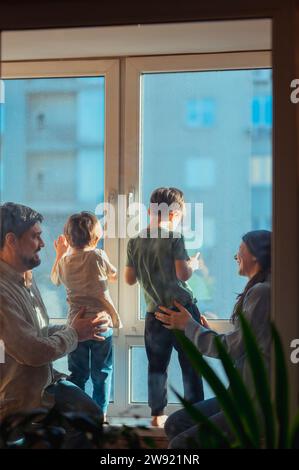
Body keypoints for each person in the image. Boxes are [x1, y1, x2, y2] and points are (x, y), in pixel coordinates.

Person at [155, 230, 271, 448]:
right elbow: (244, 344)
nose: (236, 257)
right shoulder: (260, 291)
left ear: (255, 255)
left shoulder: (262, 293)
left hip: (253, 405)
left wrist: (188, 325)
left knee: (181, 445)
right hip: (239, 395)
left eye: (240, 251)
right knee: (174, 424)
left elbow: (232, 349)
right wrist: (201, 330)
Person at [0, 202, 109, 429]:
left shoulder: (25, 278)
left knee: (93, 417)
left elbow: (37, 333)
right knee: (88, 423)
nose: (42, 244)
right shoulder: (3, 293)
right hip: (20, 404)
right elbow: (32, 351)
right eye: (35, 237)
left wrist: (84, 327)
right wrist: (74, 334)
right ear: (11, 240)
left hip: (45, 386)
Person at [125, 187, 204, 427]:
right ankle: (195, 414)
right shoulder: (175, 237)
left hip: (155, 314)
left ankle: (157, 415)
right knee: (191, 363)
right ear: (175, 214)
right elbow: (183, 274)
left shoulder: (135, 241)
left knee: (157, 366)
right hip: (181, 311)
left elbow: (129, 279)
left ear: (150, 210)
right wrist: (194, 264)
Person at [51, 211, 121, 423]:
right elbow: (114, 274)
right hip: (101, 323)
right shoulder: (98, 256)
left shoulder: (64, 262)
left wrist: (60, 254)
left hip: (76, 326)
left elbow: (55, 280)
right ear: (96, 238)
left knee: (77, 373)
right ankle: (100, 412)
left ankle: (76, 412)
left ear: (68, 238)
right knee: (102, 372)